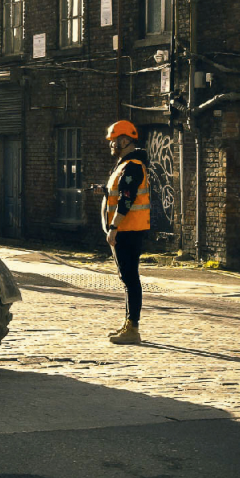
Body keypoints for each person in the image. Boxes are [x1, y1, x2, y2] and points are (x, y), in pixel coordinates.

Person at [91, 120, 150, 345]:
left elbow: (127, 198)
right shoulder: (124, 165)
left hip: (128, 229)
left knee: (130, 278)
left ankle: (133, 328)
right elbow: (121, 192)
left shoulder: (132, 166)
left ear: (125, 140)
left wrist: (114, 227)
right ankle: (129, 323)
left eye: (114, 141)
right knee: (127, 278)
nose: (111, 145)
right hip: (126, 228)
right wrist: (105, 191)